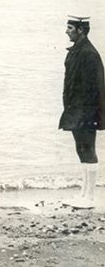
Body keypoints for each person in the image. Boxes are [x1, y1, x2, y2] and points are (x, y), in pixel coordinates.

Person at [59, 15, 104, 209]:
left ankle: (90, 197)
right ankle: (84, 194)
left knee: (88, 150)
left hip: (86, 110)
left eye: (70, 28)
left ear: (81, 30)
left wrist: (91, 114)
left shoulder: (88, 53)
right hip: (77, 109)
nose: (67, 31)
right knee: (81, 149)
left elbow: (96, 87)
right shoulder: (78, 50)